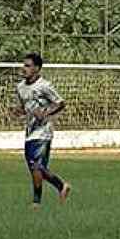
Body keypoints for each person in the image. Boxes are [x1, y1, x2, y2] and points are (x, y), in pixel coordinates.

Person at [15, 53, 70, 206]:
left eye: (28, 66)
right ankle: (56, 190)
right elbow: (23, 106)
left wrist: (46, 113)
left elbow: (60, 103)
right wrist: (18, 111)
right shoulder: (20, 87)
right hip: (30, 131)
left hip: (44, 131)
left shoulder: (44, 86)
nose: (24, 68)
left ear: (37, 69)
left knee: (37, 166)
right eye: (23, 65)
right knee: (35, 168)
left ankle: (41, 198)